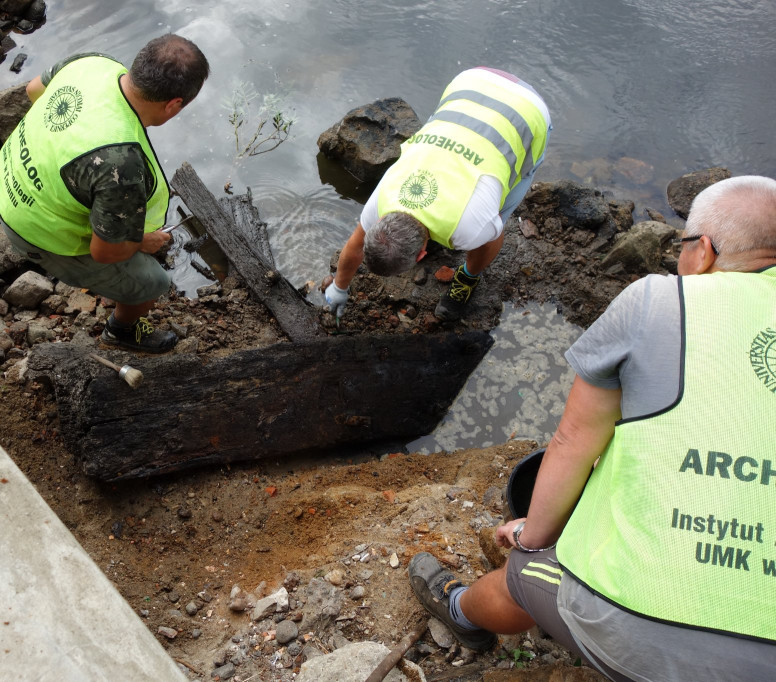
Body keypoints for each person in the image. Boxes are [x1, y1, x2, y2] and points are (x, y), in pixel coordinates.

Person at [408, 175, 776, 680]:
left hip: (654, 639)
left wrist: (530, 536)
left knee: (525, 572)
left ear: (705, 250)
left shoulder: (656, 301)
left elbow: (575, 440)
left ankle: (461, 614)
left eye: (683, 246)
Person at [0, 35, 209, 353]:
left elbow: (33, 90)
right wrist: (142, 241)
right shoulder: (121, 163)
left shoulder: (93, 64)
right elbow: (105, 253)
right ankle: (120, 332)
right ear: (174, 104)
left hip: (6, 176)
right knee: (153, 282)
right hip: (30, 230)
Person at [324, 67, 551, 322]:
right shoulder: (381, 199)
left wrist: (489, 223)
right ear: (379, 222)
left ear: (421, 255)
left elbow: (492, 238)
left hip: (528, 110)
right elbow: (356, 244)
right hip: (473, 81)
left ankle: (468, 278)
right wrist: (339, 287)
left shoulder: (469, 230)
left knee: (508, 190)